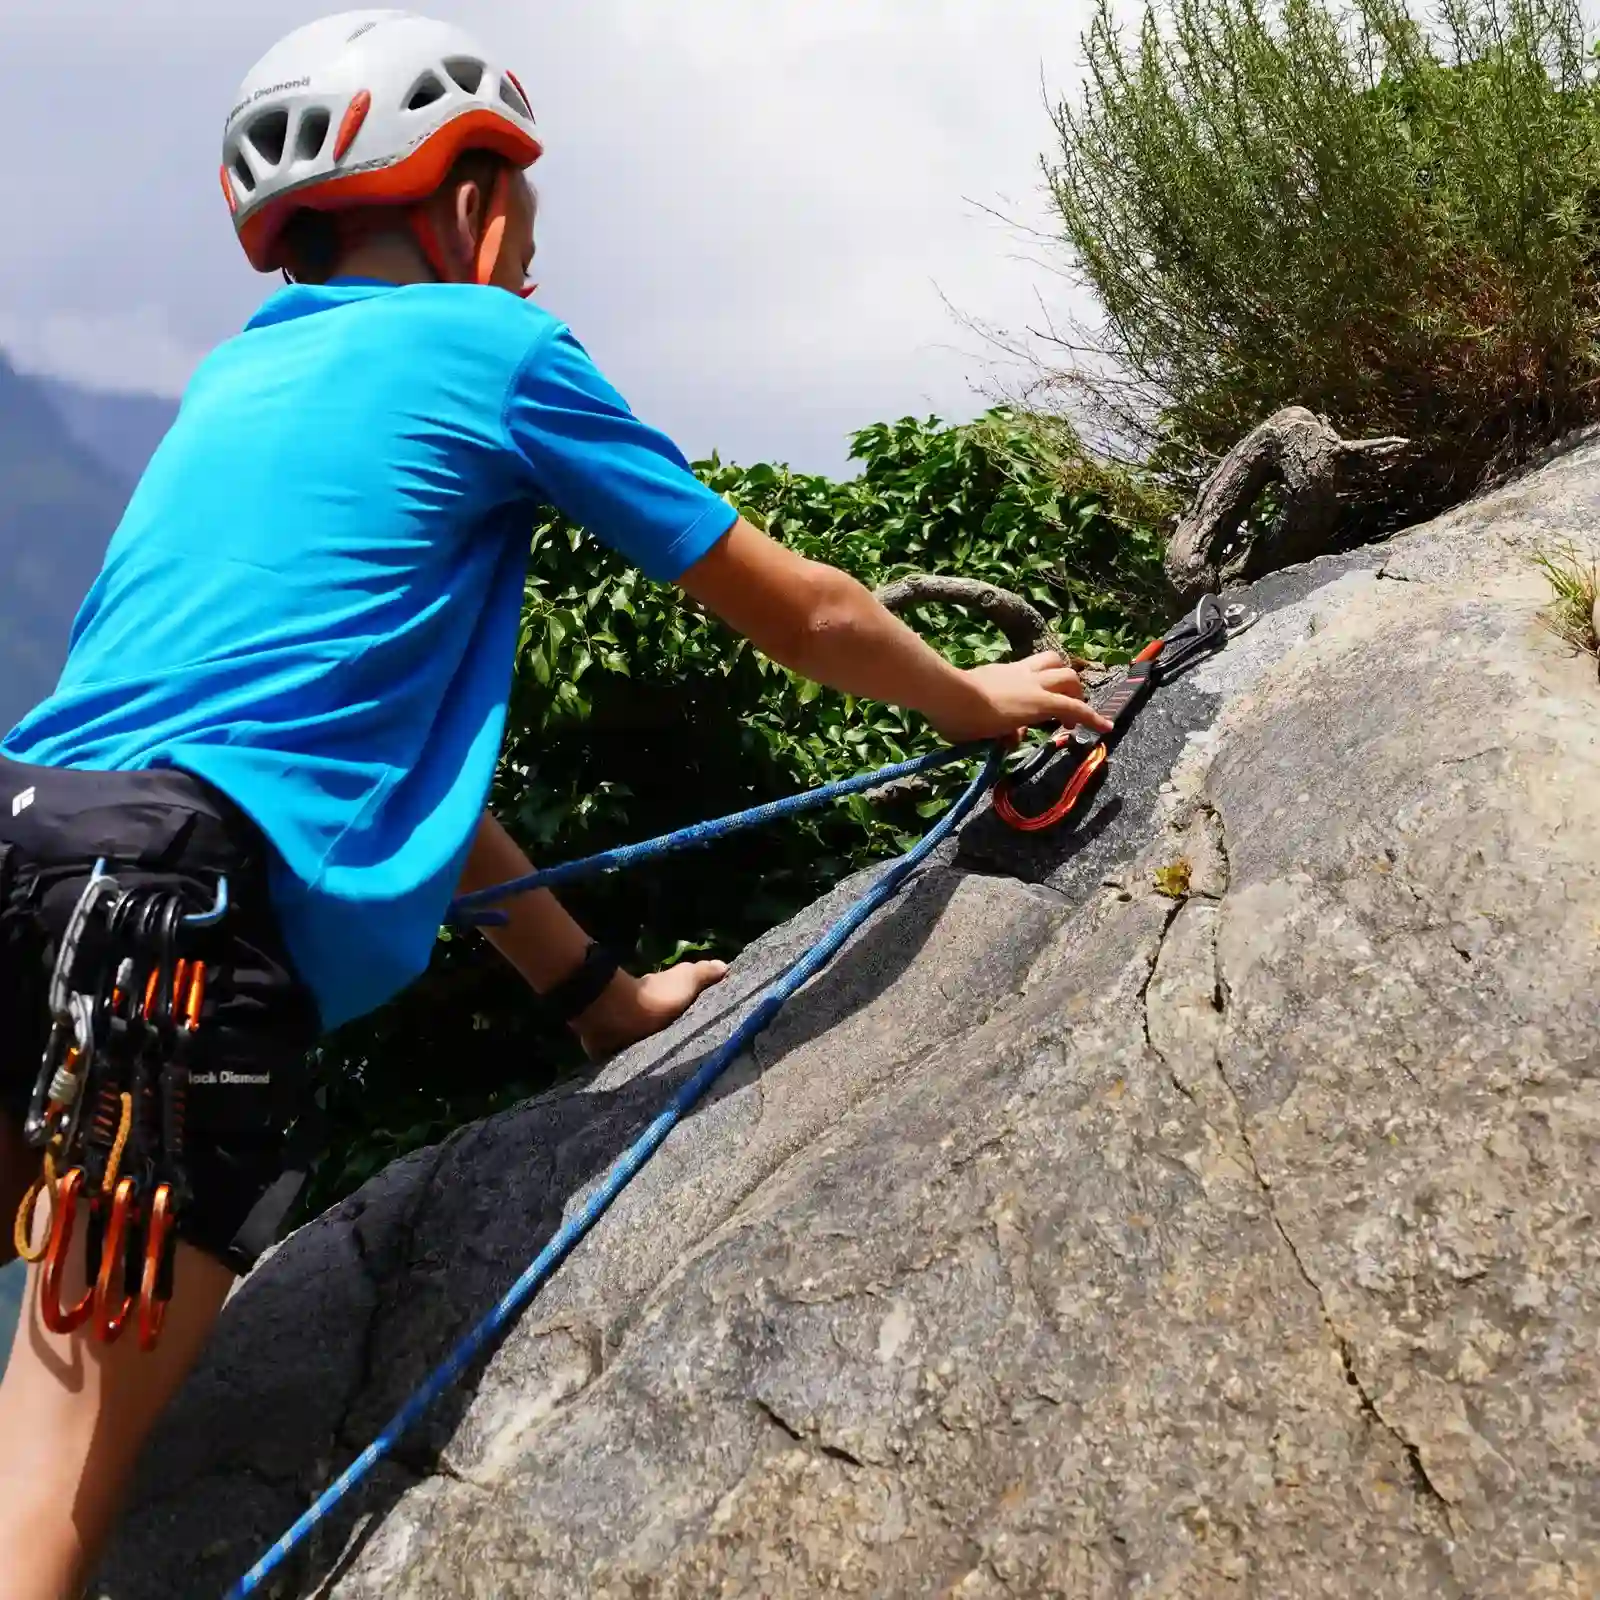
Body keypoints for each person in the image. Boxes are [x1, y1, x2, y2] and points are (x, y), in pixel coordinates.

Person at [0, 11, 1111, 1596]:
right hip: (170, 935)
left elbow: (362, 789)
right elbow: (796, 606)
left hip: (31, 847)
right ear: (469, 199)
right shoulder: (495, 349)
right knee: (44, 1491)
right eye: (521, 201)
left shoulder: (232, 385)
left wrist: (599, 998)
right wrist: (973, 701)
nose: (530, 248)